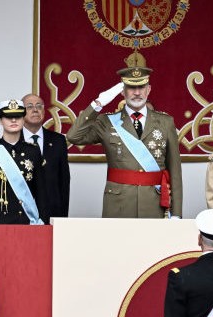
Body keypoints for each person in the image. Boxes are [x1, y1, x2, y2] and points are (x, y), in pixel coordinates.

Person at [67, 52, 183, 218]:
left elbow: (175, 172)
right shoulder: (106, 121)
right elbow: (73, 136)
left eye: (141, 87)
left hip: (154, 204)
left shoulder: (165, 122)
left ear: (148, 89)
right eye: (131, 87)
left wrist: (177, 213)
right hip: (118, 205)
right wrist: (98, 103)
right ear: (122, 91)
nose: (137, 92)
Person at [0, 100, 48, 225]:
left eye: (18, 116)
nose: (14, 120)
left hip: (25, 221)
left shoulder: (33, 151)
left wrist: (43, 224)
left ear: (24, 120)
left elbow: (41, 194)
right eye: (8, 117)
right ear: (0, 121)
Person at [22, 93, 71, 218]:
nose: (35, 109)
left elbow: (64, 182)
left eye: (39, 106)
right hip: (21, 212)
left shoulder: (58, 140)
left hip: (51, 212)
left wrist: (62, 218)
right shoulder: (14, 140)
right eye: (29, 106)